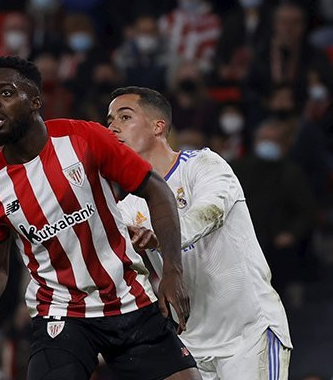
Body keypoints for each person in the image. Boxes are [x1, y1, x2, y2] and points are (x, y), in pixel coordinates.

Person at [0, 56, 198, 380]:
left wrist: (171, 271)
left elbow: (157, 191)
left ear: (36, 101)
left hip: (126, 297)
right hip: (60, 312)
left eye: (6, 93)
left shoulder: (83, 139)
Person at [107, 86, 292, 379]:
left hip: (249, 335)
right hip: (191, 346)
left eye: (124, 116)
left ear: (158, 127)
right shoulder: (128, 205)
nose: (113, 127)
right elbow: (108, 242)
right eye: (109, 121)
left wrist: (161, 238)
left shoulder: (205, 164)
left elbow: (209, 213)